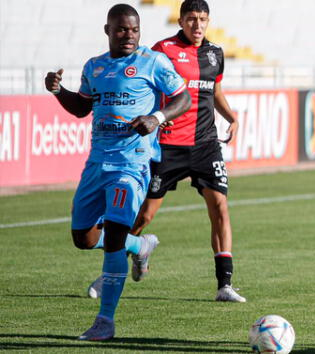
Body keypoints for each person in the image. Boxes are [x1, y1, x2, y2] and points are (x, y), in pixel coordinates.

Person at [44, 3, 191, 340]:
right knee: (84, 238)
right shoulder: (94, 67)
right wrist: (57, 91)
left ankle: (105, 321)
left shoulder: (152, 62)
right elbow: (82, 107)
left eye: (134, 29)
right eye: (122, 29)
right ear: (108, 30)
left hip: (132, 163)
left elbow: (182, 98)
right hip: (97, 163)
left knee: (111, 237)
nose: (129, 35)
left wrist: (156, 118)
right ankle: (138, 247)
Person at [109, 0, 242, 303]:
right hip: (167, 145)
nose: (198, 25)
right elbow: (144, 85)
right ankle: (116, 268)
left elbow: (215, 90)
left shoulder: (215, 54)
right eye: (192, 19)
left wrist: (232, 117)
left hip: (206, 145)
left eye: (203, 19)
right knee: (143, 215)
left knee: (220, 207)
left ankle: (225, 284)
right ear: (181, 21)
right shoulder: (162, 50)